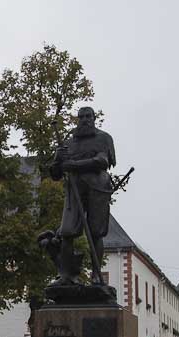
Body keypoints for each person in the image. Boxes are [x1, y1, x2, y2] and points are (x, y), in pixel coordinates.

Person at [48, 106, 115, 286]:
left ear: (94, 118)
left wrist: (73, 165)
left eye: (89, 116)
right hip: (74, 190)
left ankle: (95, 274)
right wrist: (57, 158)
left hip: (97, 188)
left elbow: (102, 161)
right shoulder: (68, 143)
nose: (85, 119)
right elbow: (55, 174)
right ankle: (67, 275)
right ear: (78, 119)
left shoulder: (103, 138)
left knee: (96, 232)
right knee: (67, 231)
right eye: (82, 117)